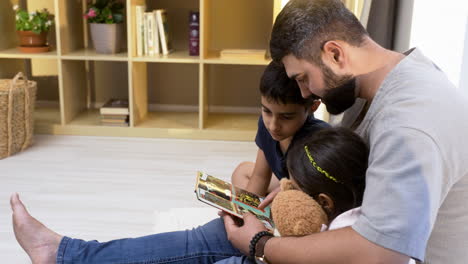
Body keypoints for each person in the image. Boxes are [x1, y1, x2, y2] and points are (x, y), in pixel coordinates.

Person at [223, 0, 468, 263]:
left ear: (335, 54)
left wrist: (261, 244)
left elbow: (378, 254)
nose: (304, 93)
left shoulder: (409, 124)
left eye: (303, 78)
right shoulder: (380, 83)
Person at [11, 125, 367, 264]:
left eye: (294, 188)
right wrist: (264, 206)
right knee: (207, 236)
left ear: (323, 203)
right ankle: (63, 253)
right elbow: (255, 175)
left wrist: (256, 241)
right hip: (274, 245)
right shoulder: (333, 202)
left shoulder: (362, 240)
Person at [231, 61, 329, 205]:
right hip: (285, 184)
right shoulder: (267, 126)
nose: (273, 126)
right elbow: (260, 176)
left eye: (286, 117)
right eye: (267, 111)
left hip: (306, 197)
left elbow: (317, 197)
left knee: (286, 203)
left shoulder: (318, 140)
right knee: (242, 171)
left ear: (312, 107)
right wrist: (245, 212)